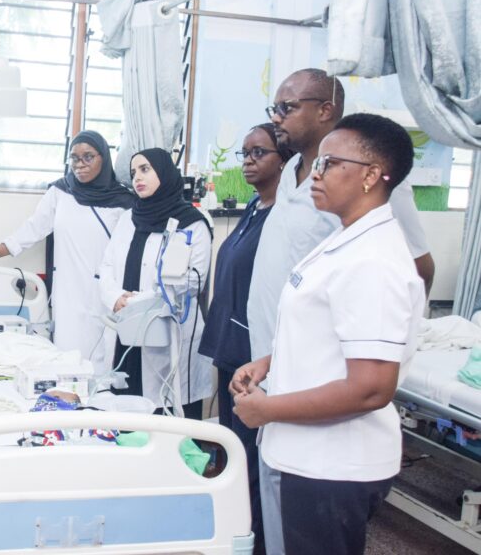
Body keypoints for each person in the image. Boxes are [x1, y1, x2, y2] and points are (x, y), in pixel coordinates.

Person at [246, 69, 434, 555]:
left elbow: (371, 387)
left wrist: (267, 409)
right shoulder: (346, 239)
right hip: (308, 452)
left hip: (332, 464)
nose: (317, 173)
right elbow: (324, 329)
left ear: (371, 175)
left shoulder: (374, 261)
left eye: (331, 164)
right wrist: (270, 363)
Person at [0, 130, 136, 369]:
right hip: (67, 294)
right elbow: (30, 231)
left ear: (103, 158)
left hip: (104, 294)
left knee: (101, 363)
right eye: (74, 158)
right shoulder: (61, 192)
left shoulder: (124, 202)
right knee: (66, 361)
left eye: (88, 157)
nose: (79, 164)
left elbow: (129, 253)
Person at [197, 123, 292, 553]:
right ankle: (234, 530)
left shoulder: (283, 216)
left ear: (284, 160)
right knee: (232, 448)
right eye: (245, 153)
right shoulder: (255, 207)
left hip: (253, 351)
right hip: (229, 343)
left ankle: (254, 540)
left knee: (250, 456)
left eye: (259, 153)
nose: (249, 161)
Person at [98, 148, 213, 418]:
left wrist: (138, 302)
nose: (137, 177)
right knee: (126, 410)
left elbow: (193, 280)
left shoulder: (193, 223)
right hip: (126, 329)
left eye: (145, 169)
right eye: (134, 172)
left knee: (168, 411)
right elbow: (106, 266)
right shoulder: (128, 218)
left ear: (164, 172)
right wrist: (116, 298)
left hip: (168, 332)